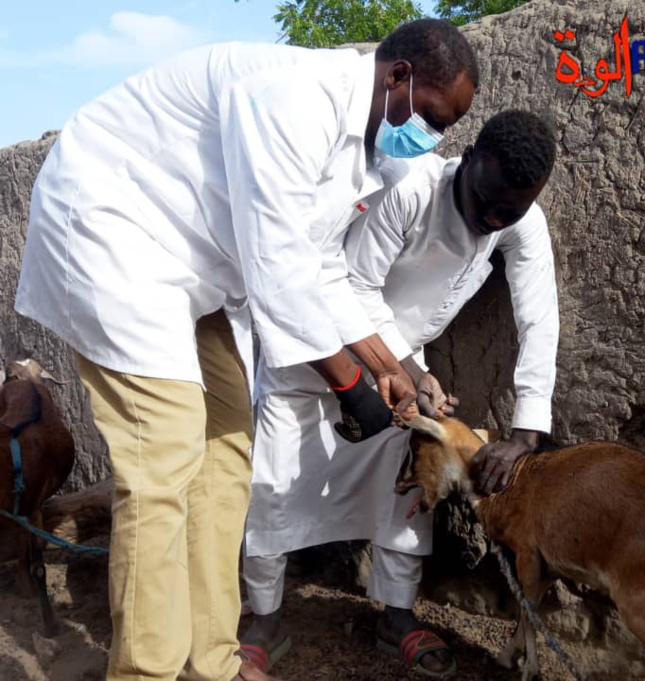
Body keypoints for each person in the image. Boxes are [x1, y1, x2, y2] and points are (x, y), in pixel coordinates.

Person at [14, 19, 478, 681]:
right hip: (112, 230)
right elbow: (278, 266)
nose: (432, 136)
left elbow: (318, 263)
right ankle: (145, 670)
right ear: (398, 76)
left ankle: (211, 659)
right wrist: (350, 386)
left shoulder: (370, 147)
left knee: (227, 449)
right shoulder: (291, 98)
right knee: (165, 455)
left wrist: (391, 367)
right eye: (432, 116)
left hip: (191, 264)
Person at [241, 109, 558, 678]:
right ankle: (262, 619)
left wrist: (525, 433)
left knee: (406, 496)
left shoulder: (520, 222)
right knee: (275, 487)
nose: (491, 219)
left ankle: (397, 617)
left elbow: (540, 320)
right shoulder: (413, 188)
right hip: (317, 348)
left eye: (508, 211)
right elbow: (351, 284)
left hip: (401, 374)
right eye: (484, 201)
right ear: (468, 163)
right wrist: (406, 367)